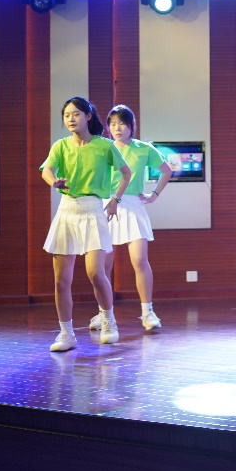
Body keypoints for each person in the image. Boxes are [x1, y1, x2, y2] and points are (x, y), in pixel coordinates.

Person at [40, 96, 132, 353]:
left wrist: (115, 200)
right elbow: (47, 169)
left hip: (93, 209)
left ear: (88, 116)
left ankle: (108, 320)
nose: (70, 119)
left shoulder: (104, 145)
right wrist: (54, 182)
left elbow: (126, 173)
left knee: (95, 273)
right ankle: (66, 333)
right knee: (61, 280)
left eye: (76, 114)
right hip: (67, 210)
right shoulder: (60, 146)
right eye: (66, 115)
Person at [85, 105, 172, 335]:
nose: (117, 128)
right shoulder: (104, 148)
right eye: (112, 124)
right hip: (106, 206)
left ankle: (147, 311)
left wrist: (154, 194)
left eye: (122, 123)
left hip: (133, 206)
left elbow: (166, 170)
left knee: (140, 260)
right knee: (102, 267)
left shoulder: (144, 149)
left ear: (132, 126)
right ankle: (104, 313)